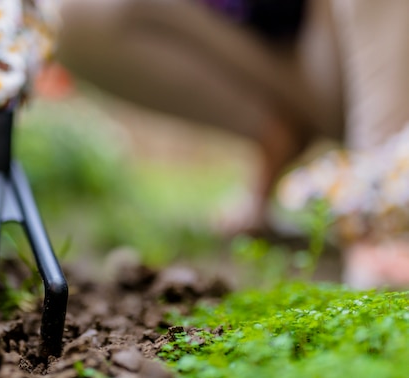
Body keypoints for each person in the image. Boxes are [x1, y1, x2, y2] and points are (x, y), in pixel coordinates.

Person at [55, 0, 409, 288]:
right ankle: (276, 138)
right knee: (78, 12)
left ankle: (383, 205)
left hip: (367, 37)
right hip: (290, 54)